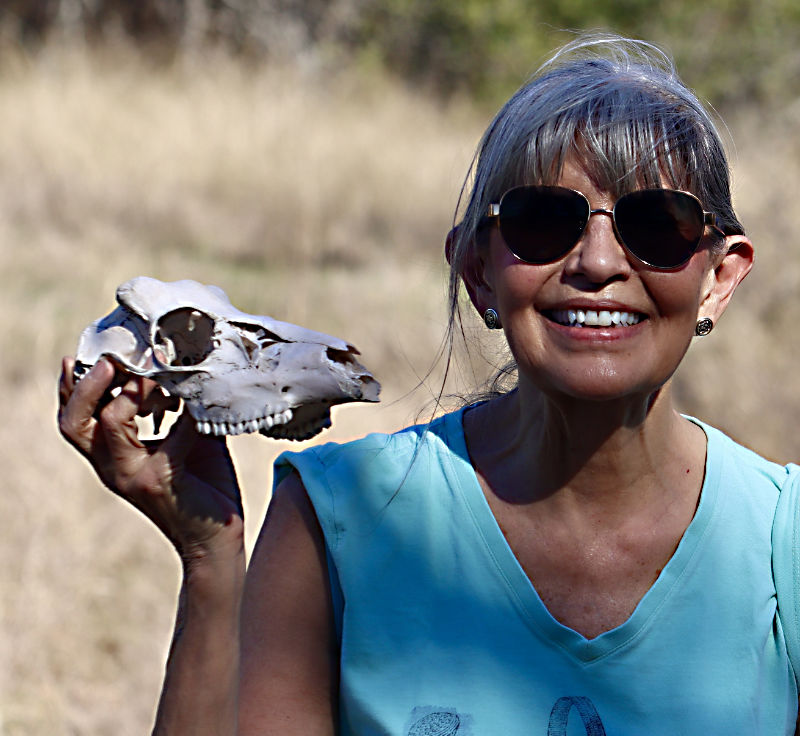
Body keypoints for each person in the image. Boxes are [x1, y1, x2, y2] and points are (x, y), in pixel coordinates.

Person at [58, 33, 800, 735]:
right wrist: (208, 558)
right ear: (478, 270)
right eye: (546, 222)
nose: (598, 263)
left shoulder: (782, 543)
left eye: (657, 226)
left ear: (720, 278)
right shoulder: (340, 518)